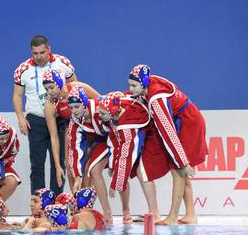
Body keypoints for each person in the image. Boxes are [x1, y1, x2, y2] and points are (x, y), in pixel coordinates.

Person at [128, 64, 208, 225]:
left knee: (178, 169)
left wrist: (182, 162)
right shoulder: (150, 87)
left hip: (189, 124)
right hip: (188, 119)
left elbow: (169, 134)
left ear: (144, 82)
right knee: (180, 170)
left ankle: (172, 217)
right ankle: (190, 215)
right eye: (129, 85)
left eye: (134, 86)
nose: (130, 89)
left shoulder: (157, 99)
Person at [13, 35, 77, 195]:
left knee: (59, 162)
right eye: (35, 53)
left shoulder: (63, 62)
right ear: (31, 52)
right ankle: (39, 204)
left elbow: (74, 86)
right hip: (35, 121)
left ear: (49, 49)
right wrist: (20, 117)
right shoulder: (23, 69)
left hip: (60, 119)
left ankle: (56, 202)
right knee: (37, 164)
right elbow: (17, 96)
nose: (39, 56)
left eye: (42, 52)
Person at [97, 91, 171, 222]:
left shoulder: (127, 126)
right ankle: (153, 213)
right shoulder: (119, 108)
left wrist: (116, 183)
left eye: (102, 113)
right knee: (140, 172)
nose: (100, 116)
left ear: (113, 111)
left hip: (155, 135)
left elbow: (125, 156)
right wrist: (113, 162)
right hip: (147, 132)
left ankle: (155, 214)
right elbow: (115, 141)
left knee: (144, 172)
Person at [67, 85, 130, 224]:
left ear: (84, 103)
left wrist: (114, 162)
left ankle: (126, 211)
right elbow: (74, 148)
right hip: (102, 141)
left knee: (119, 171)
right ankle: (107, 213)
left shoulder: (100, 108)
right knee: (93, 170)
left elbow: (116, 132)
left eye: (77, 106)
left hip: (118, 139)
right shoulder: (75, 120)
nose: (74, 111)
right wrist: (77, 176)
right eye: (71, 108)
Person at [42, 69, 100, 191]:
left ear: (59, 83)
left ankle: (87, 202)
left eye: (51, 87)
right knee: (70, 169)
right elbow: (54, 137)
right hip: (72, 130)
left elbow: (102, 104)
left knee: (87, 168)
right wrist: (58, 165)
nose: (49, 92)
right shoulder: (50, 105)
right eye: (46, 89)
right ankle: (77, 204)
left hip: (91, 129)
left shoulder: (77, 88)